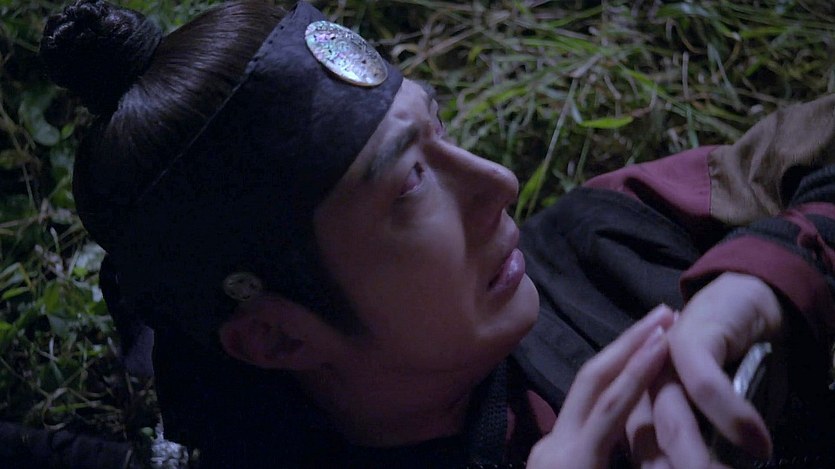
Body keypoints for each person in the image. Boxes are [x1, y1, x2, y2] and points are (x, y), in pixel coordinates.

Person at [38, 0, 835, 467]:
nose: (499, 183)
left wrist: (768, 275)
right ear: (277, 335)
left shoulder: (607, 242)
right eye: (411, 183)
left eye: (439, 130)